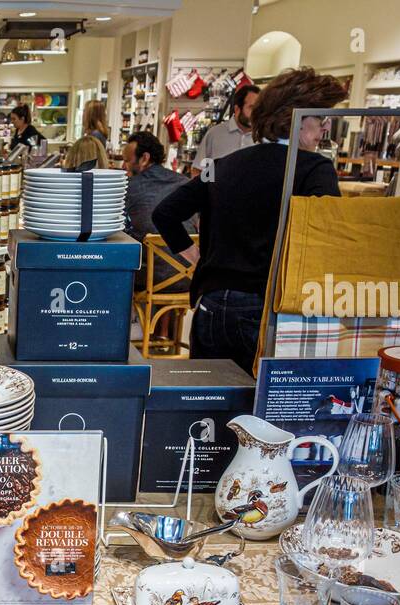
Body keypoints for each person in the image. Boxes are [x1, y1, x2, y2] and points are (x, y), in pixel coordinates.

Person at [152, 68, 347, 376]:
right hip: (266, 306)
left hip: (211, 304)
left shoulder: (222, 165)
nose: (324, 130)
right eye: (321, 120)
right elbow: (327, 238)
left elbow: (165, 213)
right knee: (259, 410)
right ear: (296, 118)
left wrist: (196, 258)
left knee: (205, 405)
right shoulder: (314, 169)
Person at [122, 130, 194, 292]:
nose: (124, 166)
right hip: (189, 278)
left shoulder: (130, 188)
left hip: (150, 281)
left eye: (127, 161)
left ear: (144, 159)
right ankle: (167, 317)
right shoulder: (185, 183)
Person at [194, 83, 261, 173]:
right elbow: (199, 170)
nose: (256, 113)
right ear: (237, 109)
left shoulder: (264, 139)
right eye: (251, 108)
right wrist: (208, 186)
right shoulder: (215, 134)